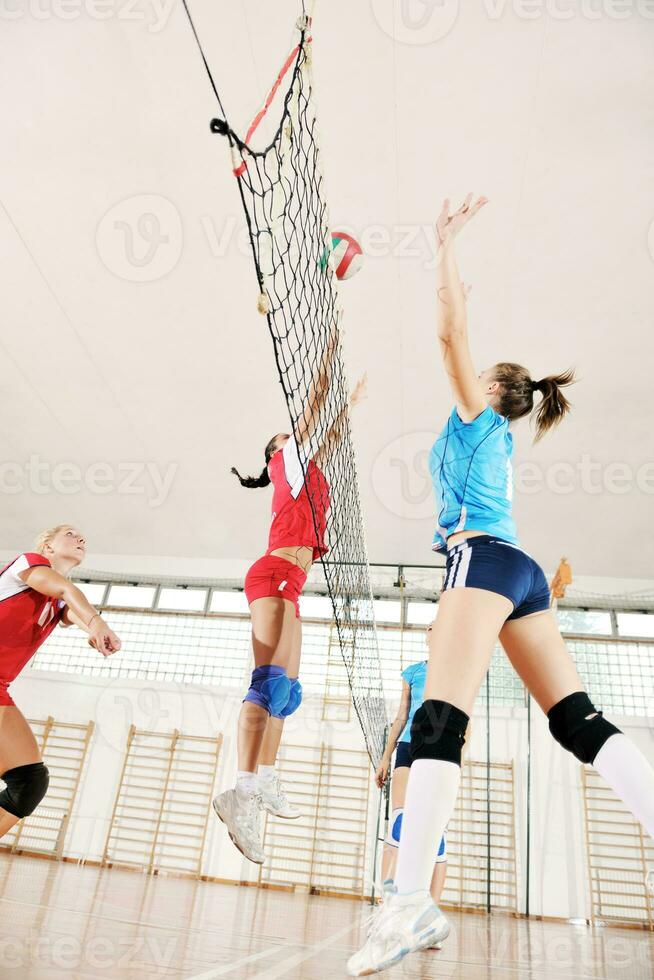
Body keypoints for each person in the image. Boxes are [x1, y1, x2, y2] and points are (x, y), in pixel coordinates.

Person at [347, 195, 654, 975]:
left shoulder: (476, 414)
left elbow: (450, 332)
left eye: (478, 374)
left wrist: (444, 252)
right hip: (520, 573)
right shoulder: (495, 433)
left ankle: (408, 900)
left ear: (491, 388)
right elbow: (462, 341)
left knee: (437, 722)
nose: (467, 375)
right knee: (578, 721)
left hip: (482, 562)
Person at [214, 336, 367, 864]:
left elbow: (328, 429)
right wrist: (328, 344)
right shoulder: (288, 464)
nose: (297, 440)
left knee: (288, 691)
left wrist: (350, 405)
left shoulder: (307, 472)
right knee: (268, 682)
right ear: (277, 454)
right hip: (275, 572)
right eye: (287, 439)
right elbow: (314, 408)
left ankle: (265, 779)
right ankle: (241, 789)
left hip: (291, 583)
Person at [0, 525, 121, 839]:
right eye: (70, 533)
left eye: (83, 537)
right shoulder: (27, 565)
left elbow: (72, 611)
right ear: (47, 546)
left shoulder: (58, 603)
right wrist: (97, 623)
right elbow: (66, 592)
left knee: (28, 783)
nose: (80, 538)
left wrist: (94, 630)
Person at [375, 624, 447, 932]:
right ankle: (385, 907)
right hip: (407, 745)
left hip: (440, 750)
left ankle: (428, 918)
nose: (433, 629)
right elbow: (401, 716)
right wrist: (384, 757)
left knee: (436, 834)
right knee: (399, 824)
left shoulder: (457, 670)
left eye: (438, 626)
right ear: (428, 636)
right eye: (430, 627)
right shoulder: (413, 672)